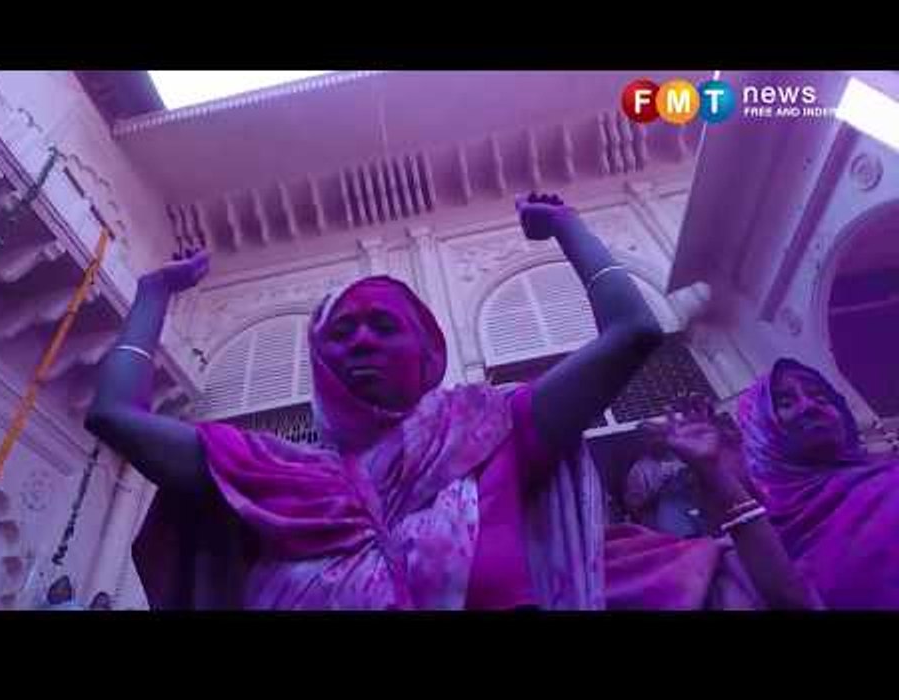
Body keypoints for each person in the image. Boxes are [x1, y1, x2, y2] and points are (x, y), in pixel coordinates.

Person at [84, 193, 665, 610]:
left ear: (428, 351)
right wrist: (152, 294)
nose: (361, 339)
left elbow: (632, 333)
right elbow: (113, 416)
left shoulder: (493, 433)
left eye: (383, 325)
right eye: (340, 332)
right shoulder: (267, 475)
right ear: (319, 362)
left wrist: (568, 226)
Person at [605, 395, 819, 610]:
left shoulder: (700, 449)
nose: (808, 407)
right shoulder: (642, 470)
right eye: (649, 437)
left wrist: (708, 469)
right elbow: (637, 504)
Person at [736, 358, 899, 609]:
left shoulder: (888, 474)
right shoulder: (760, 544)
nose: (809, 405)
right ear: (761, 432)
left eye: (821, 397)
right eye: (786, 402)